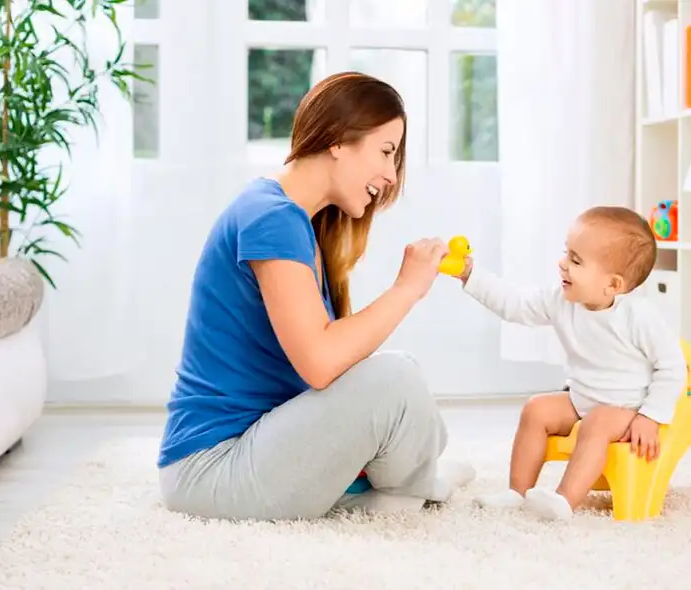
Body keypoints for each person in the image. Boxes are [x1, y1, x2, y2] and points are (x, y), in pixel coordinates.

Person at [157, 71, 475, 522]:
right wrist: (408, 288)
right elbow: (321, 362)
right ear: (339, 140)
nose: (390, 174)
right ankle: (411, 490)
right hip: (212, 472)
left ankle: (397, 487)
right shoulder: (273, 217)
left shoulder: (290, 218)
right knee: (397, 380)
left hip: (248, 452)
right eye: (386, 152)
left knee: (400, 378)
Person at [458, 206, 687, 521]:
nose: (562, 264)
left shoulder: (639, 317)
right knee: (536, 409)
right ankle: (517, 491)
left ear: (613, 285)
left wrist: (650, 416)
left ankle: (564, 501)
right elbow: (515, 305)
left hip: (627, 408)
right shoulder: (561, 301)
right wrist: (472, 275)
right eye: (567, 254)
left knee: (596, 425)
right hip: (582, 399)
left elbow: (673, 367)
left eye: (576, 261)